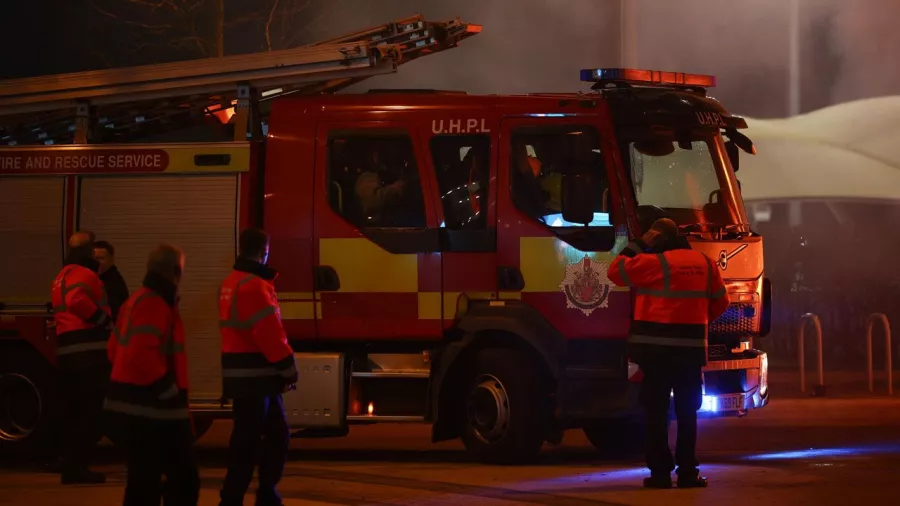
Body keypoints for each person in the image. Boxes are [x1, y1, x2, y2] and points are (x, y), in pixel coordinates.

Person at [607, 218, 729, 489]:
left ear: (657, 242)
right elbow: (722, 302)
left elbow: (615, 271)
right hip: (690, 353)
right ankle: (687, 472)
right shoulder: (706, 265)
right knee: (688, 412)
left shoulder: (653, 264)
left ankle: (660, 473)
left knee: (656, 412)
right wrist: (696, 319)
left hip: (656, 353)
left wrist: (640, 243)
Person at [104, 244, 199, 506]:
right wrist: (168, 394)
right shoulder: (155, 304)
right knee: (184, 480)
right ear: (175, 272)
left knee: (142, 483)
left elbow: (114, 350)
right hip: (155, 413)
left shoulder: (137, 300)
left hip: (136, 412)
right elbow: (141, 355)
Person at [218, 228, 298, 506]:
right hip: (258, 377)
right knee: (255, 440)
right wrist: (289, 369)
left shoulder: (232, 282)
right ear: (265, 252)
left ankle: (253, 495)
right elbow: (270, 334)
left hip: (245, 376)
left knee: (260, 437)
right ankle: (244, 496)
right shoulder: (255, 286)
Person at [50, 230, 111, 484]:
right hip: (87, 353)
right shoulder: (84, 274)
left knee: (75, 411)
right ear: (88, 251)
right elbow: (77, 299)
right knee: (92, 411)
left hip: (68, 352)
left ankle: (71, 464)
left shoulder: (61, 276)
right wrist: (102, 320)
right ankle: (77, 467)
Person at [354, 147, 406, 226]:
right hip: (373, 228)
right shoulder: (366, 178)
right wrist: (398, 187)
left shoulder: (381, 176)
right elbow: (375, 200)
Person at [94, 240, 130, 322]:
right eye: (95, 258)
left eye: (101, 258)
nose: (97, 262)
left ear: (111, 259)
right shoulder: (92, 278)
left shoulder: (114, 283)